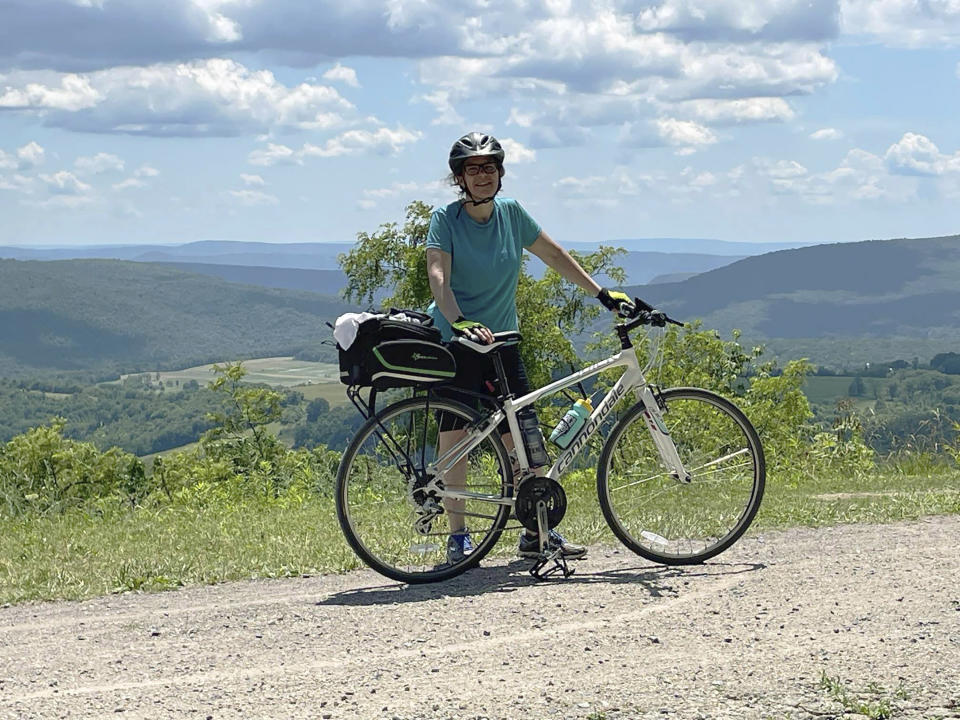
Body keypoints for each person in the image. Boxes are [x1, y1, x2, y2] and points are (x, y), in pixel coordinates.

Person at [425, 131, 634, 566]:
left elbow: (554, 255)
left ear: (500, 173)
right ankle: (459, 537)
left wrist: (601, 293)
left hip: (503, 340)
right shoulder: (445, 220)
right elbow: (438, 275)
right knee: (454, 438)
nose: (482, 175)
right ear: (459, 178)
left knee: (526, 439)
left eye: (489, 167)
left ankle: (538, 532)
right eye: (472, 169)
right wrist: (458, 319)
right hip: (458, 340)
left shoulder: (512, 214)